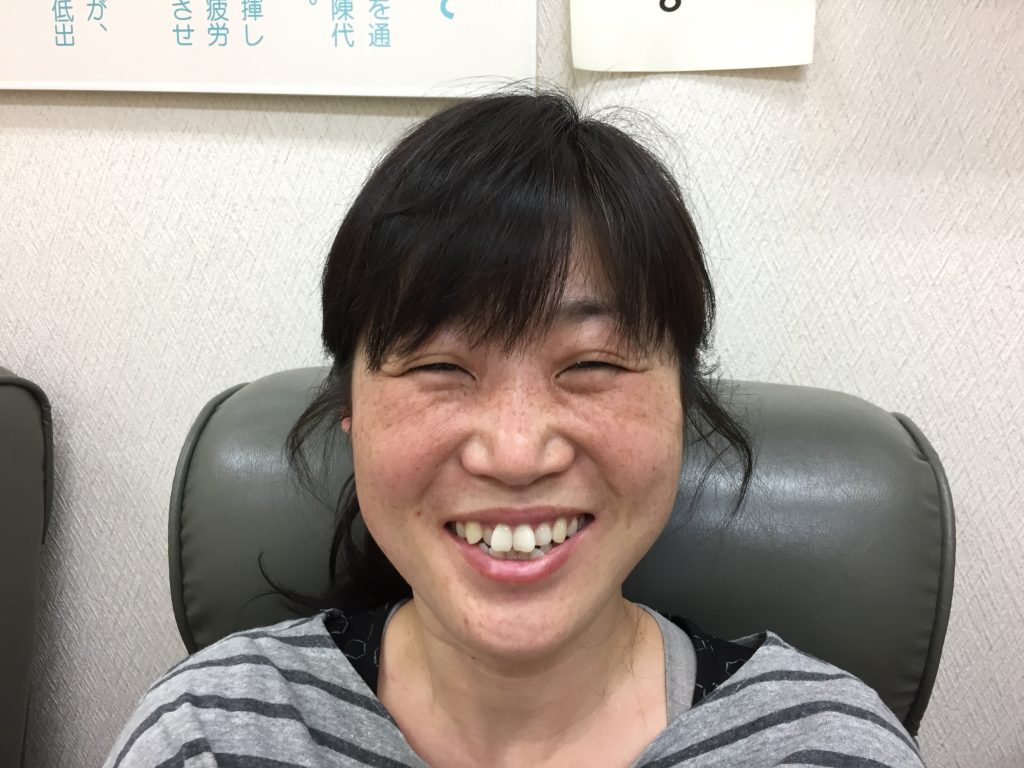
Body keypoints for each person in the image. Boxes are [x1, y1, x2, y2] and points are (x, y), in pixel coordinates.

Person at [105, 90, 924, 767]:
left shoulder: (829, 747)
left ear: (683, 405)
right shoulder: (211, 733)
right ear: (348, 410)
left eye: (592, 363)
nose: (517, 452)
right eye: (440, 366)